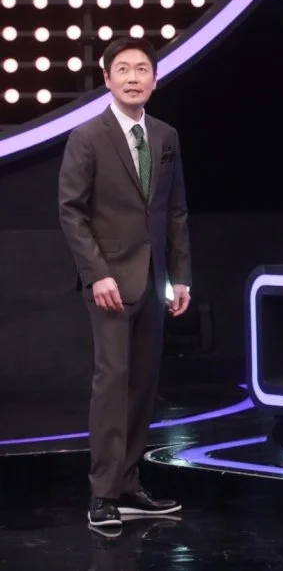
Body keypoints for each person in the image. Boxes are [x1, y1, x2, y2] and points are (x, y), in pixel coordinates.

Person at [58, 37, 192, 528]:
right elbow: (71, 211)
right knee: (113, 384)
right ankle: (103, 494)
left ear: (155, 79)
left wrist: (180, 278)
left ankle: (129, 484)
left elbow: (175, 211)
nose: (133, 77)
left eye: (141, 69)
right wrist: (96, 274)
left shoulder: (165, 135)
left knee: (142, 385)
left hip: (154, 279)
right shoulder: (87, 136)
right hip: (109, 281)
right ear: (107, 78)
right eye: (123, 69)